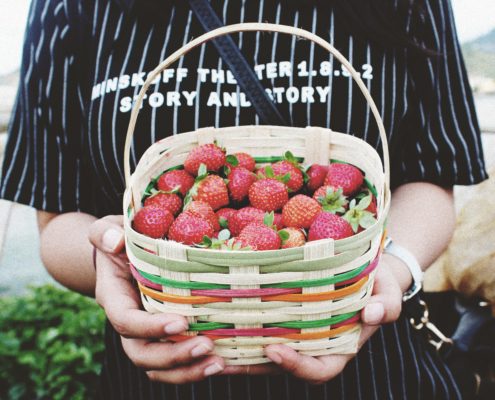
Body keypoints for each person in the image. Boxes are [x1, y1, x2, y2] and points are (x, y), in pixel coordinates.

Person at [0, 0, 488, 398]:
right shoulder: (73, 7)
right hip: (160, 371)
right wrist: (116, 259)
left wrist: (392, 268)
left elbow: (431, 178)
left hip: (373, 369)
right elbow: (57, 216)